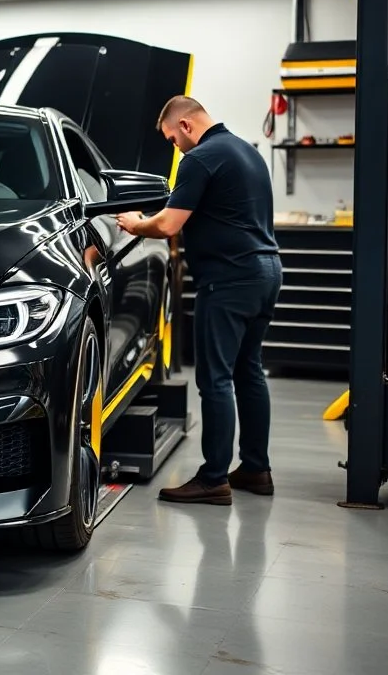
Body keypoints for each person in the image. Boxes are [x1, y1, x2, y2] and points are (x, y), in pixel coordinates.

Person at [115, 96, 282, 506]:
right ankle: (256, 468)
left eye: (173, 139)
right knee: (248, 371)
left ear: (186, 126)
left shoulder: (200, 159)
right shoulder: (246, 152)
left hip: (228, 280)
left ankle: (212, 479)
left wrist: (136, 224)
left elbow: (169, 224)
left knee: (215, 379)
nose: (176, 148)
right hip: (265, 272)